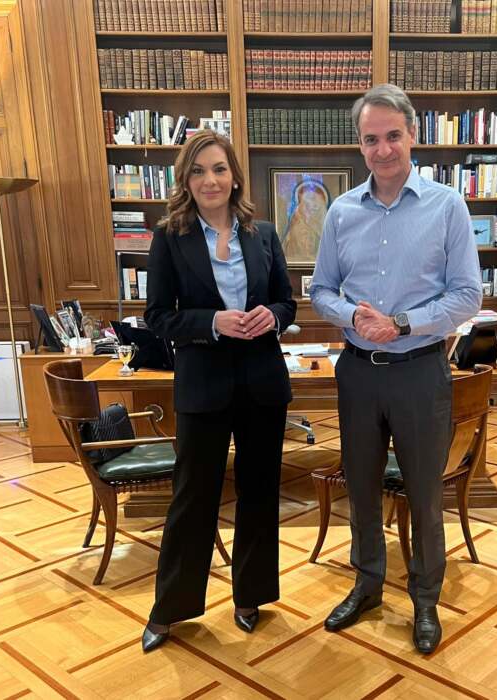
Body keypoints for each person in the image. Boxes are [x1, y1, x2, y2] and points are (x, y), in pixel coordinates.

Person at [310, 84, 482, 654]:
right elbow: (320, 290)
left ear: (412, 135)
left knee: (424, 493)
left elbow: (467, 295)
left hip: (419, 373)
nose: (382, 150)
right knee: (361, 488)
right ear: (359, 145)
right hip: (358, 372)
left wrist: (401, 324)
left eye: (392, 136)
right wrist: (352, 315)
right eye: (370, 139)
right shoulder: (341, 211)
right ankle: (367, 586)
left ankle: (426, 600)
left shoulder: (447, 206)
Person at [141, 130, 296, 652]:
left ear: (234, 177)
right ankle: (170, 608)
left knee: (259, 493)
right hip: (203, 385)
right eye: (199, 171)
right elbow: (158, 316)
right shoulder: (170, 236)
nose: (210, 180)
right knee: (193, 498)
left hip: (262, 384)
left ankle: (251, 597)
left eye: (219, 169)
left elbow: (287, 302)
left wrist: (271, 316)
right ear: (186, 180)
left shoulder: (263, 234)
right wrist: (212, 322)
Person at [282, 178, 330, 264]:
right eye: (306, 204)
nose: (311, 207)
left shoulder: (325, 229)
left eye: (316, 205)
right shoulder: (296, 227)